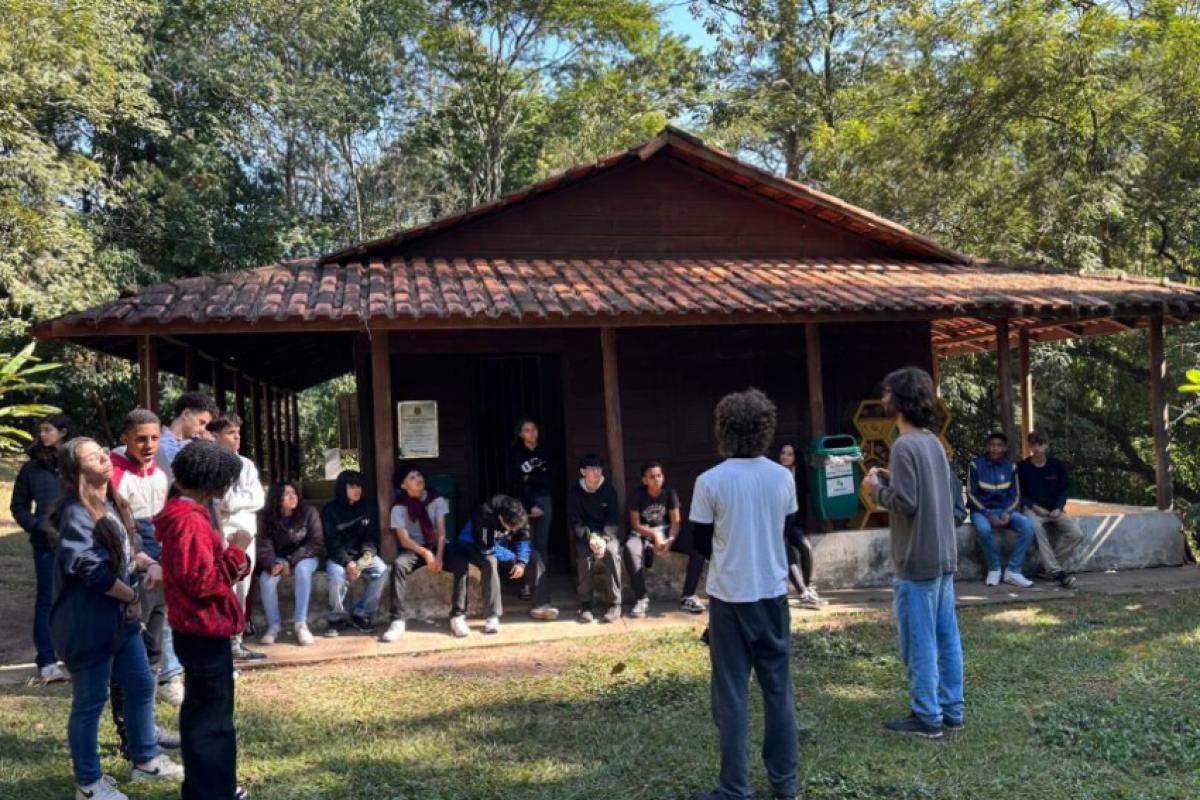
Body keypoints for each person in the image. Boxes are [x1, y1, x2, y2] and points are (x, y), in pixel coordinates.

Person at [50, 437, 183, 800]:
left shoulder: (110, 501)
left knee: (141, 685)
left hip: (121, 623)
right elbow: (90, 569)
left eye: (103, 453)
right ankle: (89, 784)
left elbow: (127, 550)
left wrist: (149, 562)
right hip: (89, 625)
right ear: (78, 470)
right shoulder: (75, 511)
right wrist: (132, 597)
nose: (104, 459)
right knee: (90, 703)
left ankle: (145, 761)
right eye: (93, 457)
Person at [688, 389, 798, 800]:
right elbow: (786, 532)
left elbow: (700, 541)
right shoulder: (782, 477)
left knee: (731, 694)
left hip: (730, 599)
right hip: (773, 594)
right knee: (778, 690)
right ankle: (784, 784)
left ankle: (734, 787)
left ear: (723, 430)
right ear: (765, 430)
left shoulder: (710, 482)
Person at [863, 366, 964, 739]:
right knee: (945, 634)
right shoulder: (932, 442)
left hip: (916, 559)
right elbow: (927, 492)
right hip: (942, 555)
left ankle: (926, 715)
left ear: (899, 400)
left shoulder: (904, 445)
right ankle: (951, 708)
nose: (885, 398)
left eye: (889, 393)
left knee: (919, 639)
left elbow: (905, 503)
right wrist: (888, 478)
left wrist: (876, 488)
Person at [155, 440, 253, 800]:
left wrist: (234, 560)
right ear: (215, 481)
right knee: (212, 719)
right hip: (203, 628)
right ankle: (213, 792)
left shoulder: (182, 514)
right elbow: (203, 582)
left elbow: (206, 572)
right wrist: (237, 549)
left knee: (201, 711)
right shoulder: (189, 521)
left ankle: (207, 787)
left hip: (193, 628)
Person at [108, 409, 182, 751]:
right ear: (126, 439)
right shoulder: (111, 474)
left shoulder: (162, 471)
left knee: (153, 650)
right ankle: (129, 733)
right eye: (141, 439)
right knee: (129, 654)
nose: (149, 445)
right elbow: (119, 529)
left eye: (154, 438)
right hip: (132, 572)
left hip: (160, 570)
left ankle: (146, 725)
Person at [10, 412, 72, 684]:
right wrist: (38, 526)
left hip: (80, 540)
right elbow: (18, 506)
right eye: (41, 430)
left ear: (63, 432)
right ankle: (47, 661)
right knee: (48, 600)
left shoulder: (77, 462)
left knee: (78, 599)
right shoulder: (31, 468)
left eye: (48, 430)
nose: (43, 434)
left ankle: (74, 656)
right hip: (46, 543)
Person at [207, 414, 267, 660]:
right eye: (231, 432)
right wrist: (233, 503)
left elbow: (259, 499)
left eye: (238, 432)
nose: (236, 437)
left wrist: (231, 504)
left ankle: (235, 642)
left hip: (245, 535)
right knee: (222, 588)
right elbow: (215, 502)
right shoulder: (209, 464)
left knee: (241, 589)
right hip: (220, 534)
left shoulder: (247, 465)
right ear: (216, 435)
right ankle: (218, 641)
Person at [447, 494, 541, 636]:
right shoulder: (484, 514)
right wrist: (511, 557)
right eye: (509, 527)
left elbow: (523, 538)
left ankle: (541, 604)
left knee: (533, 556)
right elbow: (485, 546)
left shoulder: (519, 513)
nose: (511, 531)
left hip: (499, 545)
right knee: (490, 561)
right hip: (472, 545)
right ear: (501, 518)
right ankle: (492, 616)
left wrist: (521, 561)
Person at [381, 462, 448, 642]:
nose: (418, 479)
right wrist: (425, 553)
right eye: (412, 477)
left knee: (460, 560)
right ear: (403, 485)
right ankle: (397, 620)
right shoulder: (399, 507)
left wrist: (439, 555)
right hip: (414, 549)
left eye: (419, 475)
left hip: (437, 546)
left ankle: (458, 614)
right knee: (398, 566)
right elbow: (404, 540)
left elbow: (441, 532)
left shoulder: (436, 499)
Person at [256, 481, 324, 646]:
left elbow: (315, 543)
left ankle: (300, 624)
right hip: (278, 558)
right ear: (277, 498)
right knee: (267, 580)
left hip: (306, 557)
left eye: (294, 492)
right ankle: (274, 625)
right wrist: (272, 564)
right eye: (287, 494)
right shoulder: (266, 517)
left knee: (301, 570)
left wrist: (291, 561)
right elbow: (264, 545)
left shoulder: (309, 512)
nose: (292, 496)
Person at [321, 470, 387, 636]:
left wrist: (363, 561)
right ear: (342, 487)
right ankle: (337, 618)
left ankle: (362, 614)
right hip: (338, 557)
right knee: (336, 576)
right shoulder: (330, 510)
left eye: (359, 486)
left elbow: (371, 537)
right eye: (352, 486)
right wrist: (347, 563)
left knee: (382, 570)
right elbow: (332, 541)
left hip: (362, 555)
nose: (357, 490)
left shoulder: (368, 507)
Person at [968, 432, 1036, 587]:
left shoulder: (1010, 467)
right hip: (981, 511)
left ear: (1004, 448)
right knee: (984, 529)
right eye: (992, 445)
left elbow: (1016, 496)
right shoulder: (975, 464)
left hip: (1004, 510)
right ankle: (994, 568)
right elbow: (971, 494)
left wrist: (1007, 513)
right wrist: (988, 514)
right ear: (987, 446)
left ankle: (1013, 570)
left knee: (1027, 526)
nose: (995, 448)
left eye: (999, 445)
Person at [1018, 431, 1084, 588]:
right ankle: (1056, 572)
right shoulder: (1023, 467)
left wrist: (1059, 507)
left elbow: (1064, 489)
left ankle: (1045, 569)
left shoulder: (1057, 465)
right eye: (1034, 444)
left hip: (1054, 509)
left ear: (1046, 445)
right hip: (1033, 509)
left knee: (1076, 534)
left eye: (1041, 443)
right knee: (1036, 528)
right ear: (1029, 445)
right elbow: (1020, 493)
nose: (1038, 447)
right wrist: (1034, 507)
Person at [508, 417, 558, 619]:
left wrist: (531, 478)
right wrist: (530, 505)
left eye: (534, 429)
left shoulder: (546, 450)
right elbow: (516, 481)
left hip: (545, 498)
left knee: (542, 543)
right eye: (527, 430)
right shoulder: (515, 453)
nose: (531, 433)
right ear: (520, 433)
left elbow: (551, 476)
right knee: (526, 543)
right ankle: (528, 585)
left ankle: (542, 586)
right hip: (524, 502)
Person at [567, 453, 622, 624]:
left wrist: (604, 539)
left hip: (607, 535)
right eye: (592, 469)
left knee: (613, 553)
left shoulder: (609, 490)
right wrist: (590, 538)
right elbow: (575, 522)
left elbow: (613, 519)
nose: (597, 472)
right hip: (586, 537)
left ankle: (615, 604)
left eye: (599, 468)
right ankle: (586, 605)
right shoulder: (575, 492)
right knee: (584, 557)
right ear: (583, 472)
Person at [625, 460, 681, 618]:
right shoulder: (638, 495)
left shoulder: (669, 492)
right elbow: (635, 525)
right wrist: (654, 535)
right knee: (630, 549)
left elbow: (676, 522)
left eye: (659, 475)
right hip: (642, 533)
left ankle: (689, 595)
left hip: (664, 532)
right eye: (652, 477)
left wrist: (670, 540)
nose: (657, 480)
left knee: (695, 546)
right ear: (644, 480)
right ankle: (641, 598)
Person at [778, 443, 824, 608]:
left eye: (789, 454)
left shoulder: (799, 474)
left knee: (805, 547)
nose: (785, 457)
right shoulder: (775, 475)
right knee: (788, 555)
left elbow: (804, 501)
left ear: (795, 458)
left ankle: (809, 585)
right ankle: (802, 591)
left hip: (794, 523)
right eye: (783, 453)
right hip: (778, 524)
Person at [156, 392, 218, 478]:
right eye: (201, 422)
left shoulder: (197, 444)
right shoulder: (159, 445)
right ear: (186, 414)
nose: (203, 429)